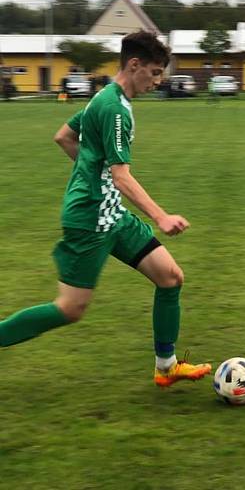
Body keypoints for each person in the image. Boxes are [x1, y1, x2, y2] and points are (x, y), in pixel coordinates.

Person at [0, 31, 212, 387]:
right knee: (70, 308)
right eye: (155, 72)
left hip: (112, 216)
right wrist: (160, 216)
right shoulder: (114, 108)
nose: (158, 81)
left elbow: (64, 136)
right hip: (91, 220)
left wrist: (89, 173)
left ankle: (166, 366)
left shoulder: (104, 98)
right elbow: (121, 176)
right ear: (134, 65)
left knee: (171, 277)